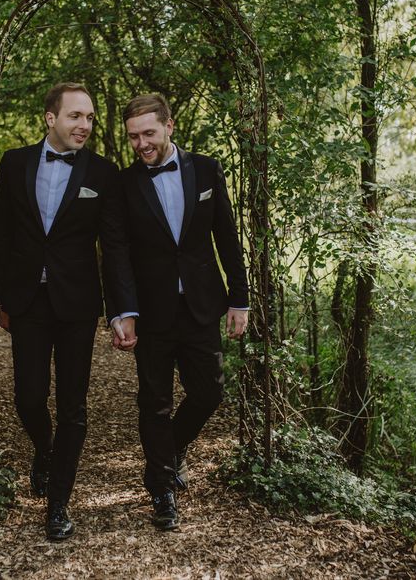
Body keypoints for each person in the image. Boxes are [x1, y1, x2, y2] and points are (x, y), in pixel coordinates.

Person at [0, 82, 137, 541]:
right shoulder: (14, 164)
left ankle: (58, 503)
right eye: (76, 116)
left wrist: (121, 310)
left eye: (90, 118)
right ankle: (44, 447)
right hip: (28, 301)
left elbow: (113, 246)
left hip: (77, 304)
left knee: (73, 405)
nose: (85, 125)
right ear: (50, 118)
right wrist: (3, 296)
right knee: (28, 398)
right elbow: (3, 233)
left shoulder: (103, 172)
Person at [116, 93, 249, 531]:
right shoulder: (124, 183)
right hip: (152, 313)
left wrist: (239, 298)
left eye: (148, 133)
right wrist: (123, 311)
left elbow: (226, 236)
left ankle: (169, 452)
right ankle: (162, 489)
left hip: (200, 305)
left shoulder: (207, 169)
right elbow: (116, 255)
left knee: (209, 393)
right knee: (154, 402)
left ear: (169, 126)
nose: (141, 144)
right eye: (134, 137)